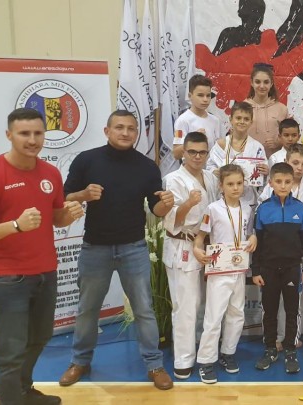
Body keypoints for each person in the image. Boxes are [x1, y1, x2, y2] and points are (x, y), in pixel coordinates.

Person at [0, 108, 84, 405]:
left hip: (45, 273)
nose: (32, 140)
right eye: (24, 133)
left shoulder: (50, 173)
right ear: (9, 135)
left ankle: (23, 392)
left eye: (37, 133)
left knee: (39, 338)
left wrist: (68, 214)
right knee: (11, 352)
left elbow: (55, 218)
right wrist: (15, 225)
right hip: (7, 279)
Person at [59, 110, 175, 390]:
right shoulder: (87, 160)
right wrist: (83, 195)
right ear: (107, 130)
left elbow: (156, 210)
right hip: (94, 247)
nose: (125, 133)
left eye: (131, 128)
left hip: (133, 248)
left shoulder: (147, 167)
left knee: (144, 310)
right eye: (119, 127)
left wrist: (166, 204)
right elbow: (64, 196)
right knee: (87, 310)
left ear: (137, 132)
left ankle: (154, 364)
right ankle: (80, 361)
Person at [161, 132, 220, 379]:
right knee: (185, 305)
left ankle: (203, 351)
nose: (197, 156)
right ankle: (183, 359)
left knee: (207, 303)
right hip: (183, 245)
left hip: (208, 245)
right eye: (192, 152)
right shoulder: (172, 179)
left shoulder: (211, 177)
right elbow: (171, 222)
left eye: (202, 152)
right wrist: (188, 203)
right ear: (183, 153)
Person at [192, 164, 257, 384]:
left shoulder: (248, 208)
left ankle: (228, 353)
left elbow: (249, 233)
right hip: (219, 270)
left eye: (239, 183)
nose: (235, 188)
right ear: (221, 186)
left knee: (237, 313)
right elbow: (200, 238)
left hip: (239, 268)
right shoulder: (212, 209)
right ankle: (206, 361)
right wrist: (197, 249)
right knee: (214, 316)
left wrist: (254, 237)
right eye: (230, 184)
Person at [252, 162, 303, 373]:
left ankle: (290, 349)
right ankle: (270, 348)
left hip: (292, 268)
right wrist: (256, 270)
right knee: (269, 311)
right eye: (278, 181)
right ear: (270, 183)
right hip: (268, 269)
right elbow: (258, 242)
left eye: (287, 181)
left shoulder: (300, 208)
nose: (283, 185)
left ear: (292, 183)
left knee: (292, 310)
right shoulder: (263, 209)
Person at [207, 102, 268, 213]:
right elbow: (209, 169)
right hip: (223, 200)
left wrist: (265, 172)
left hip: (248, 200)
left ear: (251, 122)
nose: (242, 122)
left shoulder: (257, 147)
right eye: (238, 118)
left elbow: (263, 180)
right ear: (231, 119)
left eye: (246, 119)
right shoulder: (221, 144)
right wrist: (215, 172)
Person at [245, 63, 291, 157]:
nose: (262, 86)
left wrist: (278, 143)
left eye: (266, 82)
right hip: (247, 159)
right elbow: (235, 135)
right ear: (252, 82)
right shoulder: (243, 107)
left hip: (275, 161)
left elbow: (290, 137)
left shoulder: (282, 109)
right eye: (257, 82)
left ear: (271, 83)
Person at [172, 75, 222, 159]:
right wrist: (193, 139)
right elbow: (176, 154)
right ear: (190, 96)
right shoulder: (182, 121)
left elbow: (219, 151)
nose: (205, 99)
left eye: (208, 95)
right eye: (200, 95)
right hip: (190, 166)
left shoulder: (215, 120)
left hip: (211, 167)